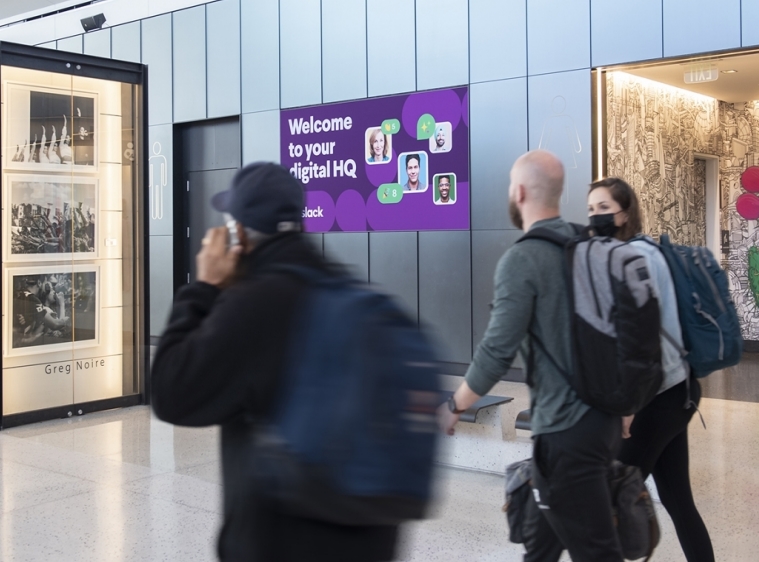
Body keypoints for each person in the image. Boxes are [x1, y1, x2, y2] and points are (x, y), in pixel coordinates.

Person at [150, 162, 399, 562]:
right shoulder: (352, 293)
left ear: (240, 234)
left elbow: (170, 392)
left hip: (279, 542)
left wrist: (204, 288)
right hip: (365, 541)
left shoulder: (253, 306)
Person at [438, 149, 624, 562]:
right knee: (540, 547)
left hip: (565, 430)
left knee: (597, 552)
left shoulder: (522, 259)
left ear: (518, 191)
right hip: (601, 418)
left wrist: (455, 404)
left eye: (509, 184)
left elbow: (497, 350)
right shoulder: (586, 243)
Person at [588, 177, 715, 562]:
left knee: (609, 503)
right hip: (678, 392)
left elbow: (639, 341)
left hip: (655, 399)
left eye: (604, 209)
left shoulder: (634, 259)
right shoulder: (643, 252)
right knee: (678, 501)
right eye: (591, 209)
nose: (596, 217)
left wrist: (628, 405)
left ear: (625, 213)